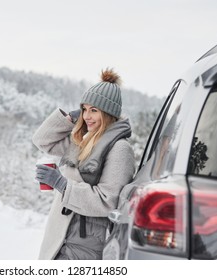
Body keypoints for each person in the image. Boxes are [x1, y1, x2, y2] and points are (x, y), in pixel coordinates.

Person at [32, 68, 135, 260]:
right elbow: (42, 140)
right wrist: (70, 119)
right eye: (84, 109)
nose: (87, 116)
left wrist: (62, 184)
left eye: (94, 110)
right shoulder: (85, 141)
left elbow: (108, 201)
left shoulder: (120, 149)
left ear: (108, 113)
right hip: (63, 237)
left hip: (83, 244)